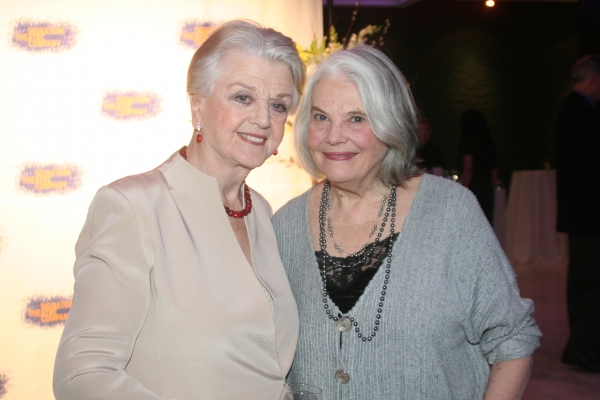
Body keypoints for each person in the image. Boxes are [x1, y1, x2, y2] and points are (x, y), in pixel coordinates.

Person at [53, 20, 305, 400]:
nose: (263, 120)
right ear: (197, 104)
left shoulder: (264, 214)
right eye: (242, 97)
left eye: (278, 105)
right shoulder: (132, 207)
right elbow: (82, 374)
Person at [273, 45, 541, 400]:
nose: (334, 135)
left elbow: (511, 338)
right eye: (322, 117)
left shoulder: (450, 212)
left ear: (391, 122)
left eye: (357, 118)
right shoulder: (285, 225)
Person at [556, 54, 600, 373]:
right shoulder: (579, 111)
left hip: (580, 212)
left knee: (583, 280)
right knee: (593, 281)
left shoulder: (572, 108)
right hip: (589, 211)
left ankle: (579, 347)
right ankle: (584, 348)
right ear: (594, 78)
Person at [458, 109, 498, 223]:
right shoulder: (488, 141)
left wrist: (463, 189)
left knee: (471, 221)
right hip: (487, 185)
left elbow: (468, 168)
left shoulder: (468, 140)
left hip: (474, 185)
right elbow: (494, 168)